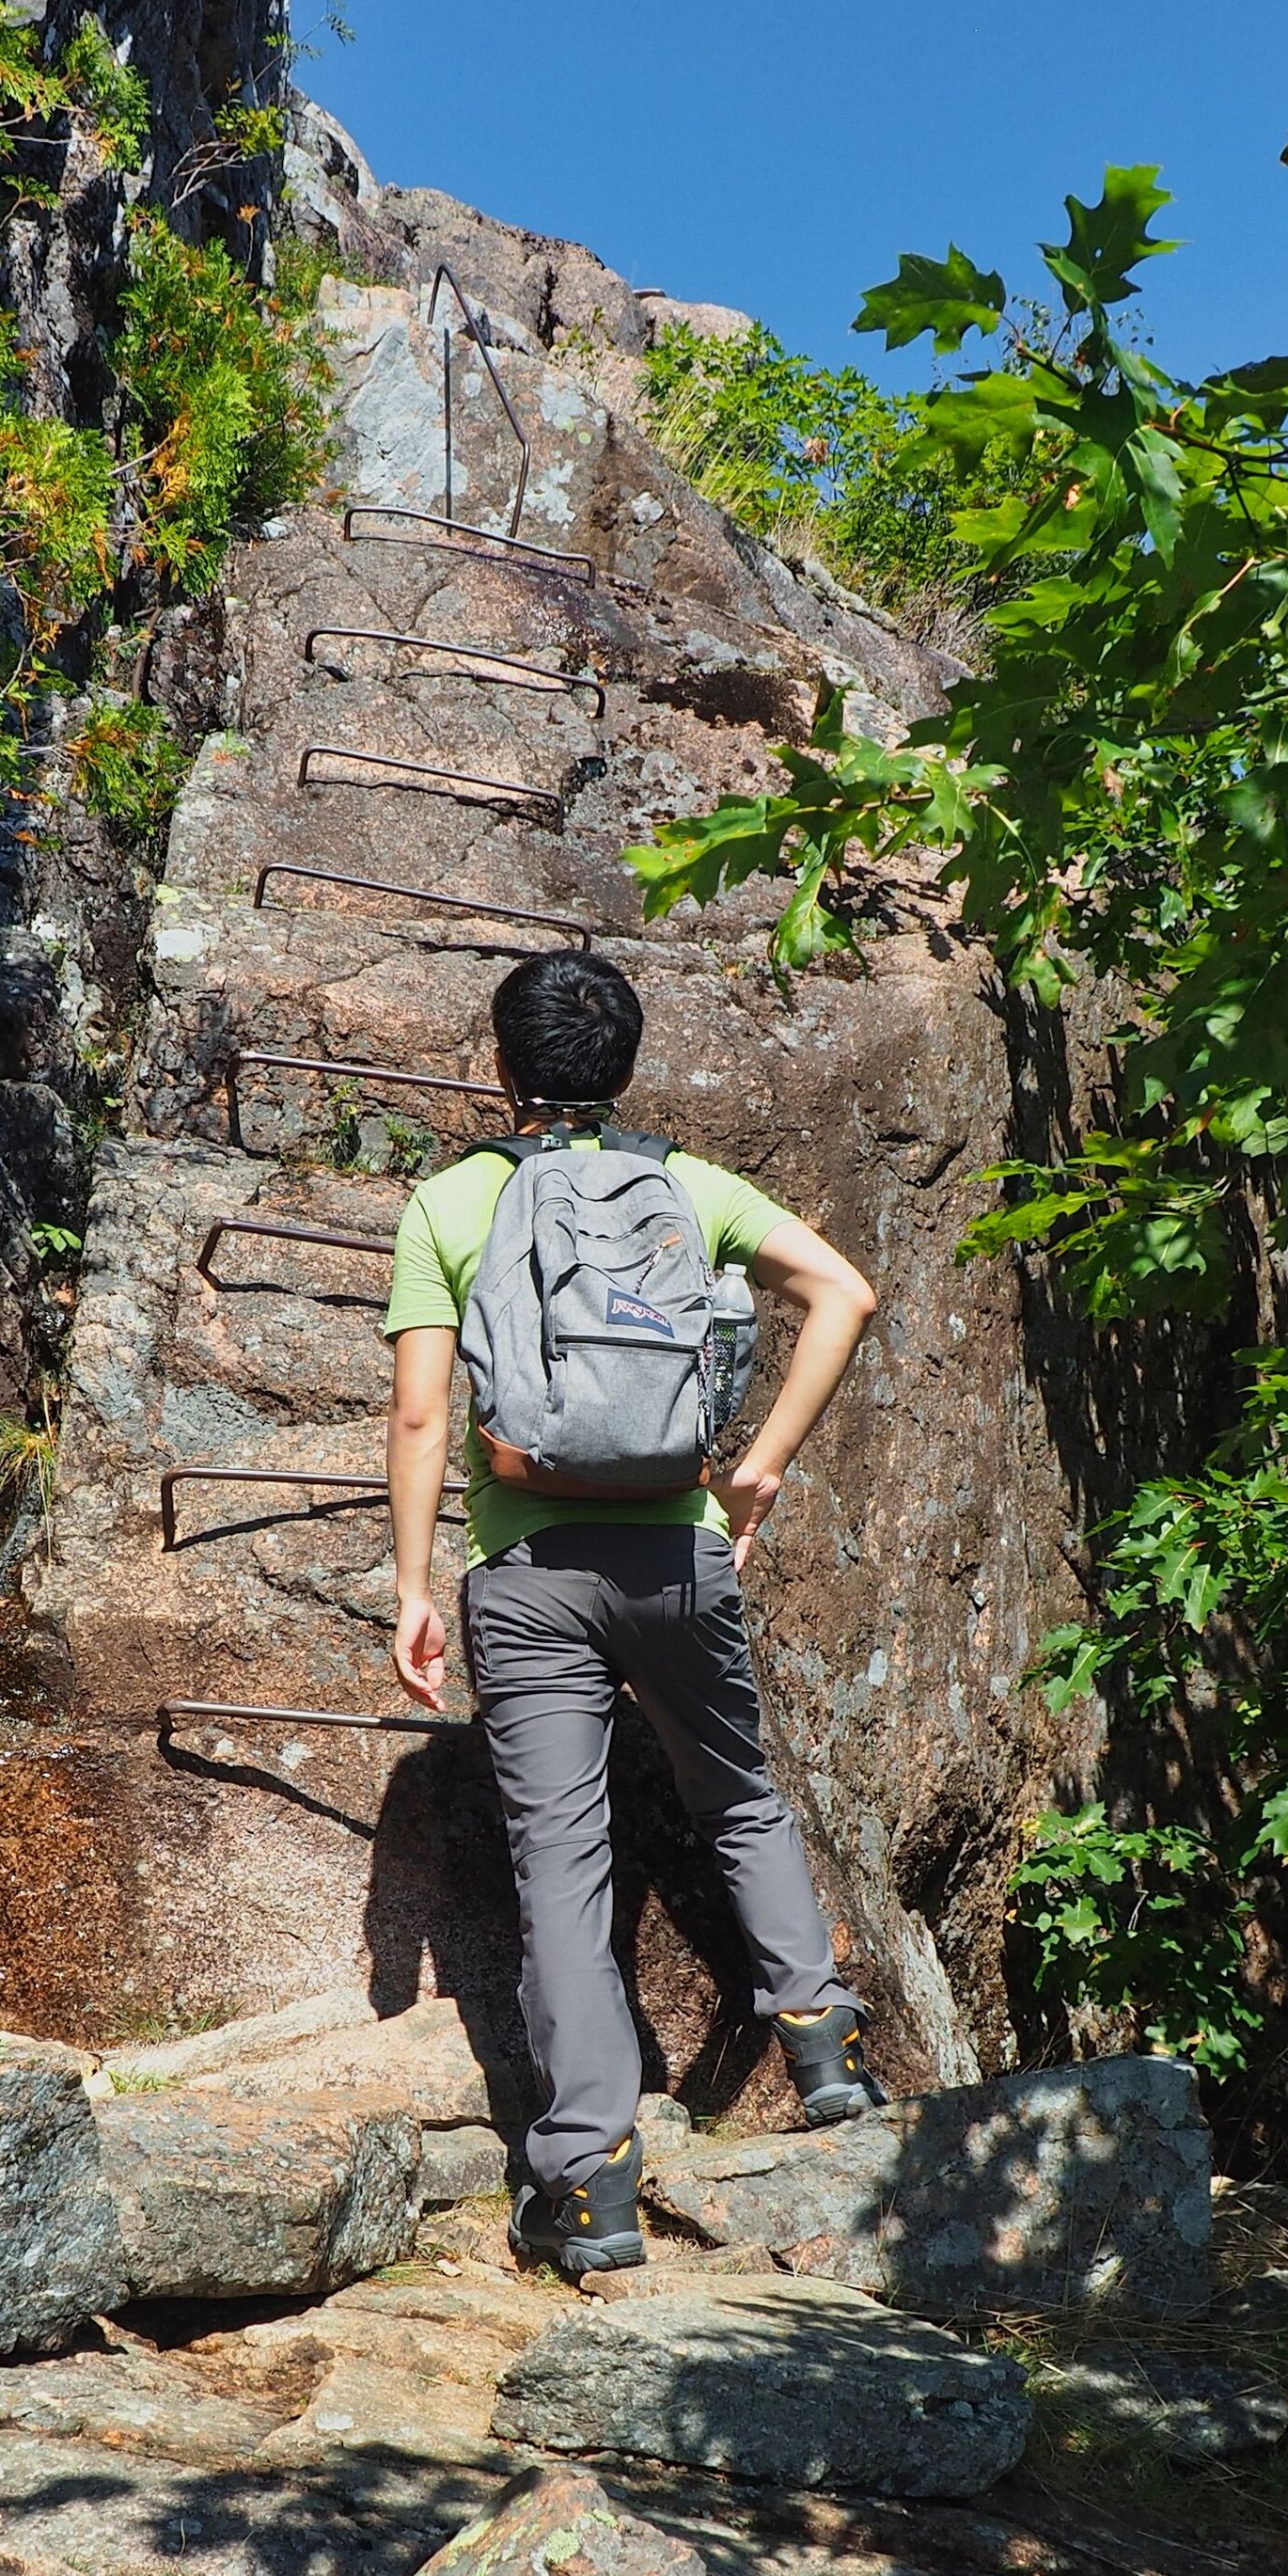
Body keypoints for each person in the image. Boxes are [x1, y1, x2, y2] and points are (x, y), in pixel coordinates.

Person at [384, 945, 882, 2284]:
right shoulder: (687, 1187)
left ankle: (592, 2186)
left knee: (565, 1865)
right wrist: (763, 1460)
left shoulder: (451, 1204)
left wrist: (414, 1586)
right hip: (682, 1561)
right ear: (625, 1066)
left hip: (530, 1575)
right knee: (740, 1796)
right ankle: (823, 2053)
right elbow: (846, 1293)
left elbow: (426, 1412)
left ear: (501, 1068)